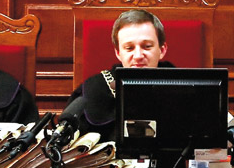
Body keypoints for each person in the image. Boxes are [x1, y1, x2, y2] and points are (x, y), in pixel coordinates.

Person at [66, 9, 172, 142]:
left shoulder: (187, 87)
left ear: (162, 50)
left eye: (147, 46)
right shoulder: (93, 89)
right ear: (118, 53)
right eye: (129, 48)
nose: (138, 56)